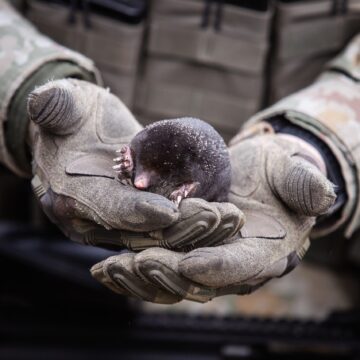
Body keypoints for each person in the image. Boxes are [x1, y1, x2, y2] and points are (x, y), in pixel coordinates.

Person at [0, 1, 359, 304]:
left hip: (300, 300)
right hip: (36, 268)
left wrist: (316, 143)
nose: (139, 183)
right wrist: (29, 94)